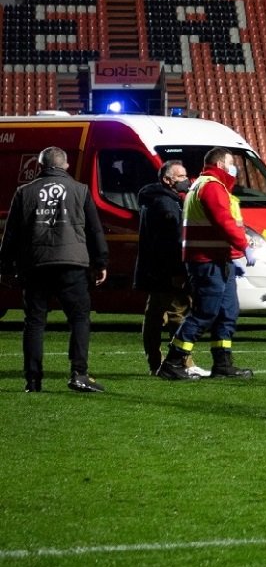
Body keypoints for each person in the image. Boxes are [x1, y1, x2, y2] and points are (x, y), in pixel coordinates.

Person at [0, 146, 109, 393]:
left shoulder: (23, 192)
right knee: (79, 319)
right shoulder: (80, 190)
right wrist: (100, 262)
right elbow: (94, 230)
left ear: (40, 165)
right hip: (72, 264)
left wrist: (4, 266)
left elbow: (11, 234)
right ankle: (79, 374)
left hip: (35, 264)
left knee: (34, 323)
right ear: (66, 166)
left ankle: (33, 380)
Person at [158, 148, 254, 380]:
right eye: (231, 164)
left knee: (226, 312)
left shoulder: (207, 185)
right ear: (221, 164)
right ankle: (173, 361)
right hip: (207, 260)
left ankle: (222, 363)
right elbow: (224, 221)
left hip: (219, 259)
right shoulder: (211, 186)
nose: (234, 169)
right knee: (205, 312)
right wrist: (244, 246)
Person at [135, 160, 209, 378]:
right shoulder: (167, 204)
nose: (186, 180)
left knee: (155, 316)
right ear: (167, 180)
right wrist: (178, 271)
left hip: (154, 269)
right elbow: (172, 242)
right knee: (177, 313)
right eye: (180, 177)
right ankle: (183, 362)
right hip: (167, 271)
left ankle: (155, 363)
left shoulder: (154, 199)